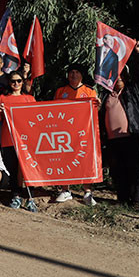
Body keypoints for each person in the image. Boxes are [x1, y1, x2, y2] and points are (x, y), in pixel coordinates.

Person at [103, 42, 139, 207]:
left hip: (131, 136)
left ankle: (136, 201)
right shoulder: (107, 95)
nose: (119, 79)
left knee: (134, 169)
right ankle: (122, 199)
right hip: (113, 139)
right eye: (116, 77)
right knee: (118, 170)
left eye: (122, 76)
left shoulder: (133, 91)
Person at [53, 63, 99, 205]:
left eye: (77, 72)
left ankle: (87, 192)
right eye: (71, 72)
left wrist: (99, 105)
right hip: (65, 133)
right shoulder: (61, 91)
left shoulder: (90, 91)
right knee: (64, 158)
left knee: (85, 159)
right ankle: (65, 190)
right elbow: (53, 111)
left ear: (82, 75)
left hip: (83, 133)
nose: (73, 75)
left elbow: (95, 113)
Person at [0, 70, 37, 212]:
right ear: (9, 83)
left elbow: (36, 119)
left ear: (23, 82)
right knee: (12, 168)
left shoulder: (30, 99)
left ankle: (30, 198)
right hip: (9, 139)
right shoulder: (3, 98)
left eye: (19, 81)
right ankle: (16, 195)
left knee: (27, 169)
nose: (16, 84)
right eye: (13, 81)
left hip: (27, 140)